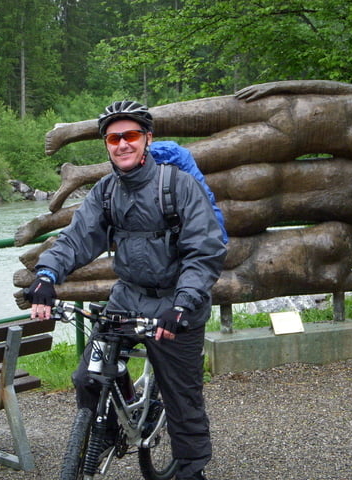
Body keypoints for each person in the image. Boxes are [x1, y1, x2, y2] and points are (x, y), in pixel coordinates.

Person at [26, 100, 227, 480]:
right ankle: (107, 425)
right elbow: (76, 239)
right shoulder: (105, 192)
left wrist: (183, 304)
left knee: (182, 398)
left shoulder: (178, 186)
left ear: (147, 138)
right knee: (88, 376)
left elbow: (205, 251)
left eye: (131, 135)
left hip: (175, 300)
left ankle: (190, 469)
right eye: (114, 137)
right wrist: (47, 276)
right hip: (128, 297)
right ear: (106, 144)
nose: (122, 144)